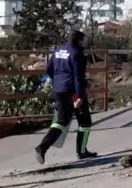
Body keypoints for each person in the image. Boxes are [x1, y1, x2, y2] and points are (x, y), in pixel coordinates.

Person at [34, 30, 98, 164]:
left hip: (59, 90)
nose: (84, 43)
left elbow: (49, 70)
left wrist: (58, 81)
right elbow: (78, 78)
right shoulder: (77, 54)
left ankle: (42, 147)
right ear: (79, 40)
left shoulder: (57, 51)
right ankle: (82, 152)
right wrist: (80, 96)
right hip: (73, 92)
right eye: (83, 40)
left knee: (61, 121)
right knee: (85, 121)